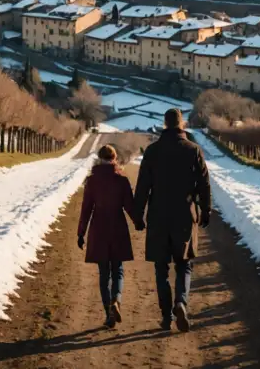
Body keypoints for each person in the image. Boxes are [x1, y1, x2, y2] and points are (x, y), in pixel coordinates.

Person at [133, 108, 211, 332]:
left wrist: (138, 215)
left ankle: (166, 316)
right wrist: (205, 211)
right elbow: (204, 184)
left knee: (161, 268)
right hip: (185, 215)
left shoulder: (152, 151)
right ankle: (181, 303)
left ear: (164, 124)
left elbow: (142, 187)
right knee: (184, 264)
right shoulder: (193, 150)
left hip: (158, 216)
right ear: (182, 124)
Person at [77, 144, 136, 328]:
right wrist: (139, 222)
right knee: (117, 269)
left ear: (99, 158)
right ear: (115, 158)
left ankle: (108, 313)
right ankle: (116, 300)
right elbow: (129, 206)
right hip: (117, 226)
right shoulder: (122, 180)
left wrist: (81, 233)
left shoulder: (92, 181)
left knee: (104, 273)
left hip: (99, 228)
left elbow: (86, 209)